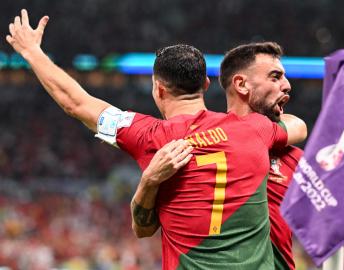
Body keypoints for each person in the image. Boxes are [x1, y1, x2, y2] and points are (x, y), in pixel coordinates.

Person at [6, 10, 306, 270]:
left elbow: (76, 102)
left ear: (158, 89)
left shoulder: (149, 136)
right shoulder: (254, 128)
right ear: (205, 84)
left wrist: (32, 51)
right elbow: (295, 126)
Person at [135, 42, 344, 270]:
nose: (287, 86)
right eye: (275, 77)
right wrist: (148, 182)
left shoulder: (291, 158)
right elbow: (145, 225)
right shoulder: (197, 146)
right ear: (241, 85)